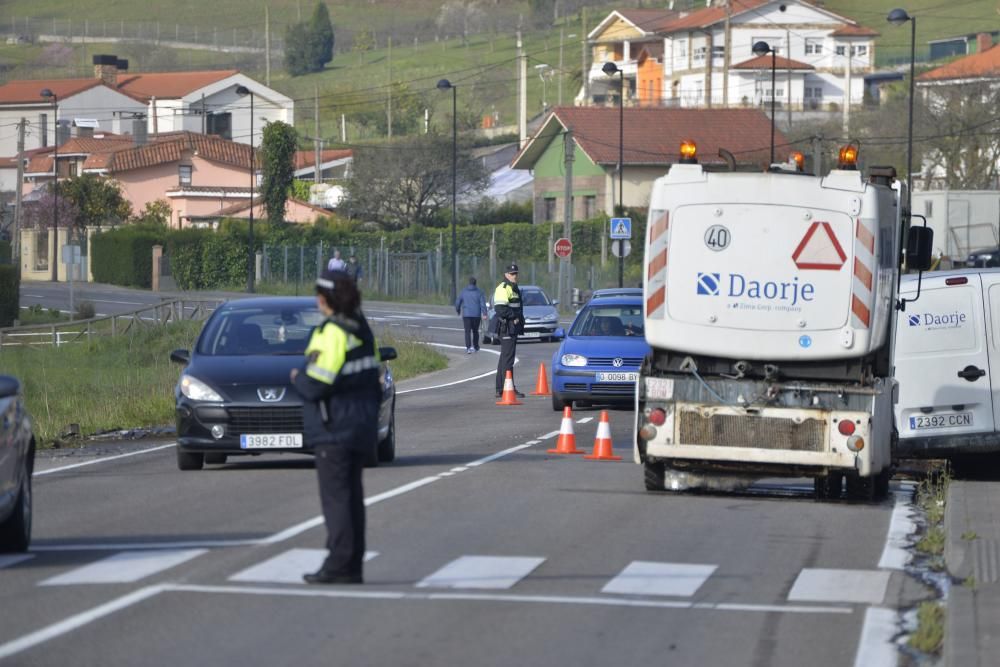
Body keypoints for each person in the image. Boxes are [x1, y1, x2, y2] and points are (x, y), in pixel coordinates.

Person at [291, 268, 381, 585]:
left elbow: (317, 383)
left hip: (335, 428)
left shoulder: (332, 332)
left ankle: (339, 563)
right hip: (360, 424)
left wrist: (297, 378)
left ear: (324, 298)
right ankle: (352, 563)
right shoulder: (361, 328)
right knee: (352, 498)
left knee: (337, 500)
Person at [493, 263, 524, 398]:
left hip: (512, 328)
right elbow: (500, 309)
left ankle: (501, 388)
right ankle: (507, 388)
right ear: (506, 275)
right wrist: (514, 317)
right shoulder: (503, 288)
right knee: (508, 360)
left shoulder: (514, 287)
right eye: (512, 274)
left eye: (516, 273)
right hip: (506, 327)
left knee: (504, 359)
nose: (514, 276)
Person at [455, 277, 487, 353]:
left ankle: (468, 348)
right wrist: (484, 313)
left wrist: (458, 310)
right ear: (475, 283)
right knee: (475, 331)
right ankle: (476, 347)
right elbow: (482, 304)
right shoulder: (479, 292)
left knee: (467, 331)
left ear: (469, 283)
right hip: (476, 315)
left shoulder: (463, 291)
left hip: (466, 315)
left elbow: (458, 302)